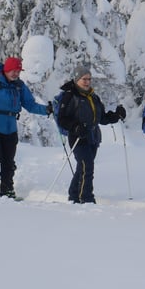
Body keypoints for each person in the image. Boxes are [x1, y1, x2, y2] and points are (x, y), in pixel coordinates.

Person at [0, 56, 53, 198]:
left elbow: (30, 104)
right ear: (6, 69)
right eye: (13, 70)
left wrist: (46, 110)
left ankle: (7, 189)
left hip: (10, 127)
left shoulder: (19, 86)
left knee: (8, 160)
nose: (15, 73)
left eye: (18, 71)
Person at [56, 66, 126, 204]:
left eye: (89, 79)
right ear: (76, 79)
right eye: (84, 79)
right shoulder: (70, 96)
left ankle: (74, 195)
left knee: (83, 167)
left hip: (93, 137)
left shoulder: (93, 96)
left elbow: (102, 118)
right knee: (87, 166)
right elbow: (62, 119)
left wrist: (116, 115)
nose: (87, 82)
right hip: (77, 137)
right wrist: (75, 127)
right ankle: (86, 198)